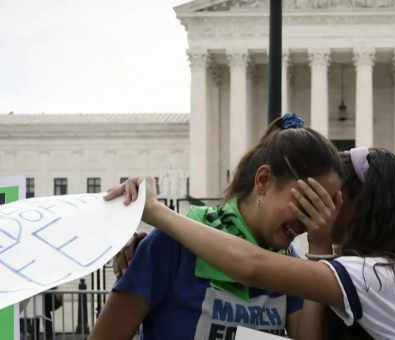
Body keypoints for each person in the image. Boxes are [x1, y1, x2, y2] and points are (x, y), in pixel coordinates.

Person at [103, 146, 395, 340]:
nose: (318, 214)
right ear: (263, 181)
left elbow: (253, 266)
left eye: (331, 201)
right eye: (314, 199)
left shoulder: (370, 274)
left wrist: (157, 212)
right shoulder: (169, 247)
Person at [89, 113, 344, 340]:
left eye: (324, 209)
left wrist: (320, 244)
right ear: (263, 180)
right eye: (307, 203)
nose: (311, 221)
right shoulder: (170, 246)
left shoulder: (289, 263)